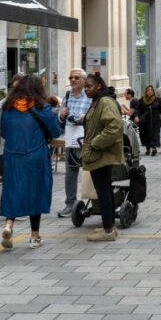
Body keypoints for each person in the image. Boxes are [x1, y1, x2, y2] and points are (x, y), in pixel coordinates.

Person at [0, 75, 61, 249]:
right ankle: (35, 237)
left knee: (12, 191)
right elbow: (55, 132)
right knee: (36, 192)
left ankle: (9, 225)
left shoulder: (8, 108)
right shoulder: (43, 108)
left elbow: (3, 132)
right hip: (36, 155)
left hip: (12, 156)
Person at [81, 73, 124, 242]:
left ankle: (108, 230)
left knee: (103, 191)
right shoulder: (98, 101)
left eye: (88, 86)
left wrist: (95, 143)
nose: (86, 90)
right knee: (104, 190)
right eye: (85, 87)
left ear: (98, 86)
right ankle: (109, 226)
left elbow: (114, 127)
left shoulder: (104, 101)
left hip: (101, 154)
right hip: (99, 154)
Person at [56, 68, 92, 218]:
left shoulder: (89, 96)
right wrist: (61, 115)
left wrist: (85, 118)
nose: (73, 80)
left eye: (76, 77)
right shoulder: (67, 95)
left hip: (87, 140)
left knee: (90, 171)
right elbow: (60, 118)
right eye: (71, 77)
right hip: (71, 140)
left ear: (83, 80)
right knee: (70, 173)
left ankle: (93, 202)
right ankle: (70, 204)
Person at [135, 85, 161, 156]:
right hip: (145, 122)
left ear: (153, 91)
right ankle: (148, 149)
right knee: (146, 135)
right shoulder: (142, 100)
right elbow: (137, 109)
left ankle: (154, 148)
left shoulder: (157, 100)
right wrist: (136, 116)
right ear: (146, 91)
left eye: (151, 90)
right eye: (148, 90)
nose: (150, 91)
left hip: (155, 121)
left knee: (155, 135)